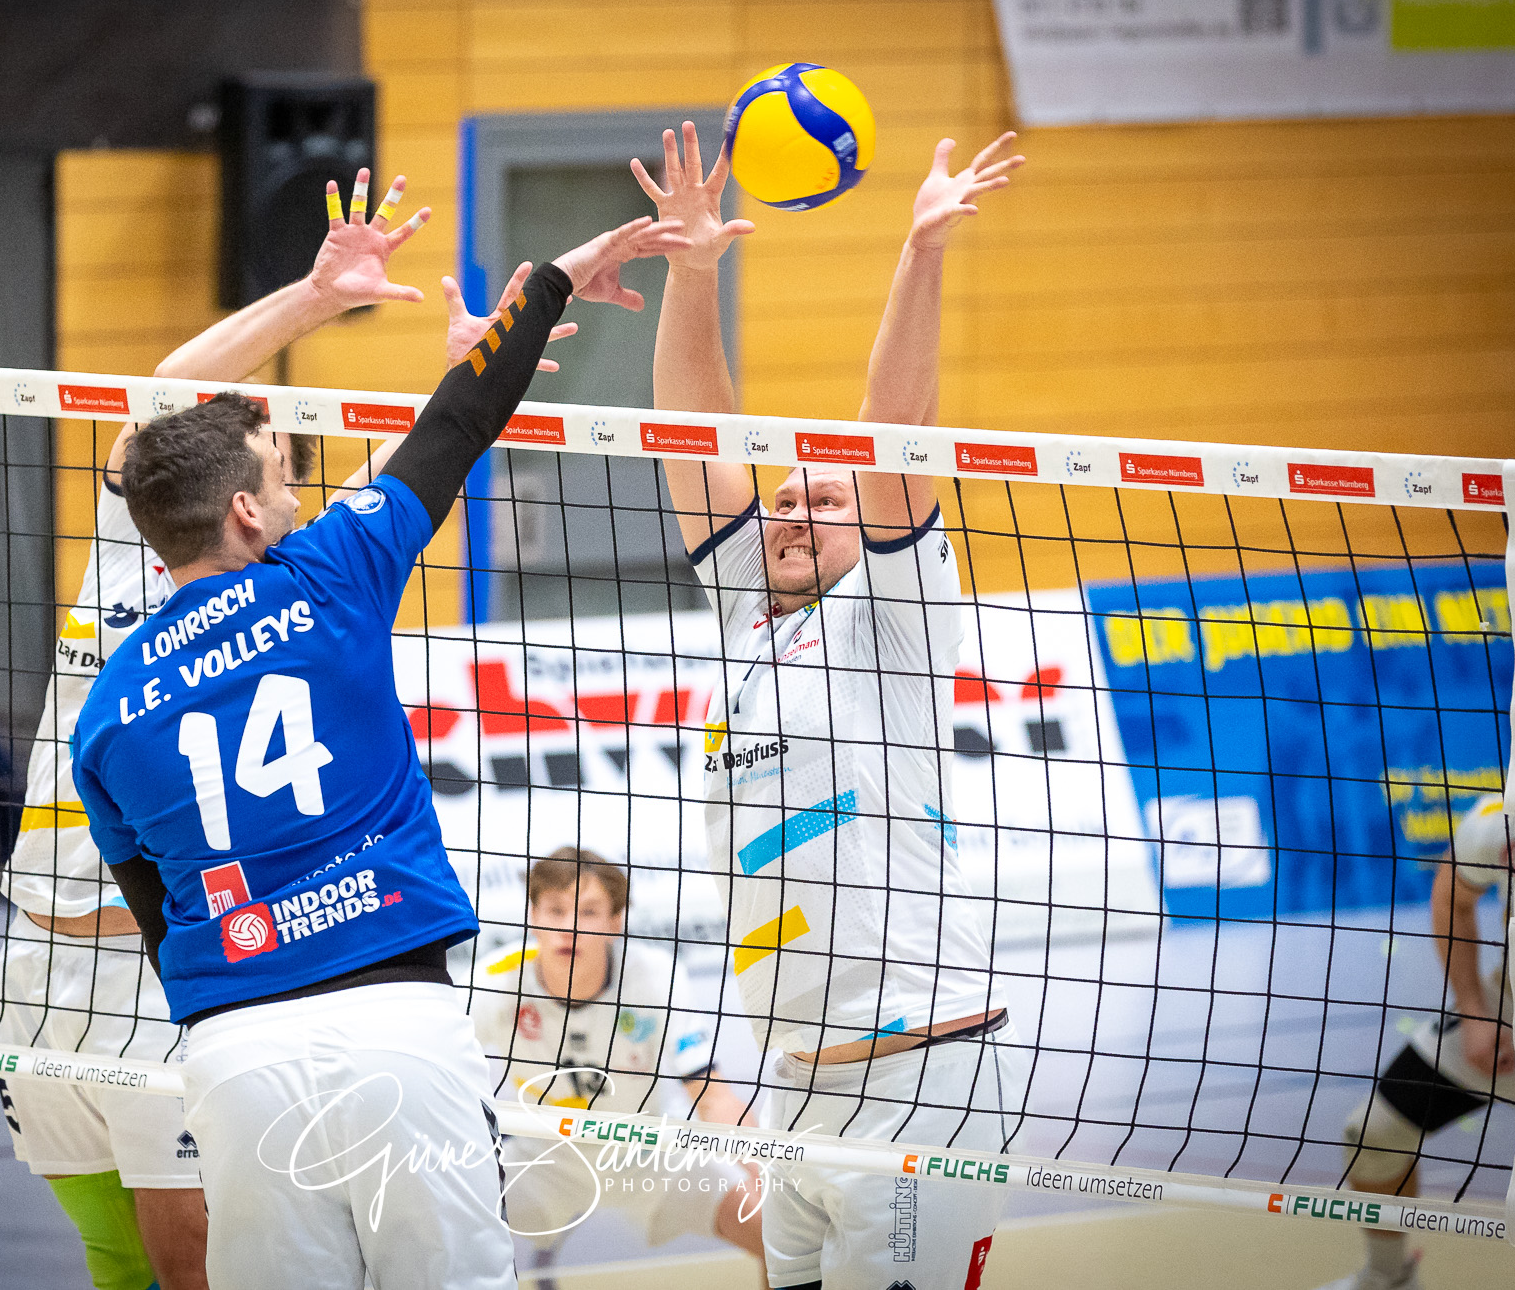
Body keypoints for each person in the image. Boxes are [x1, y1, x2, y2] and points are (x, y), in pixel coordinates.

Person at [69, 207, 685, 1290]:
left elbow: (163, 914)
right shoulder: (326, 576)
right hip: (392, 1020)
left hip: (232, 1049)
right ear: (250, 511)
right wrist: (550, 284)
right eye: (280, 466)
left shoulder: (106, 713)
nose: (303, 487)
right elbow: (457, 426)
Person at [0, 169, 564, 1290]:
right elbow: (165, 395)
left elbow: (413, 474)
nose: (284, 476)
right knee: (108, 1247)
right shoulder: (140, 538)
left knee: (196, 1252)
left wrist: (474, 374)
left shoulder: (298, 589)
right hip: (35, 944)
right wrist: (319, 296)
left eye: (293, 472)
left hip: (178, 968)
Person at [632, 121, 1025, 1290]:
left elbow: (892, 429)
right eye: (785, 497)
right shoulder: (746, 611)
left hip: (915, 1082)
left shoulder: (892, 619)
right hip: (789, 1084)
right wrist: (691, 273)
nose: (794, 513)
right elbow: (695, 437)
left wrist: (919, 253)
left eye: (825, 501)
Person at [471, 845, 764, 1265]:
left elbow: (711, 1093)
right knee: (443, 1234)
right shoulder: (495, 981)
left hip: (646, 1151)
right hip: (543, 1158)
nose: (569, 927)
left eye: (588, 912)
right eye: (554, 910)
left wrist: (761, 1168)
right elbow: (438, 1075)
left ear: (615, 922)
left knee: (778, 1235)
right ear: (533, 917)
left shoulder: (654, 976)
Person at [1316, 794, 1515, 1290]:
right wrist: (1475, 1013)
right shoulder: (1509, 820)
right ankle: (1389, 1277)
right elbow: (1452, 897)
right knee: (1373, 1134)